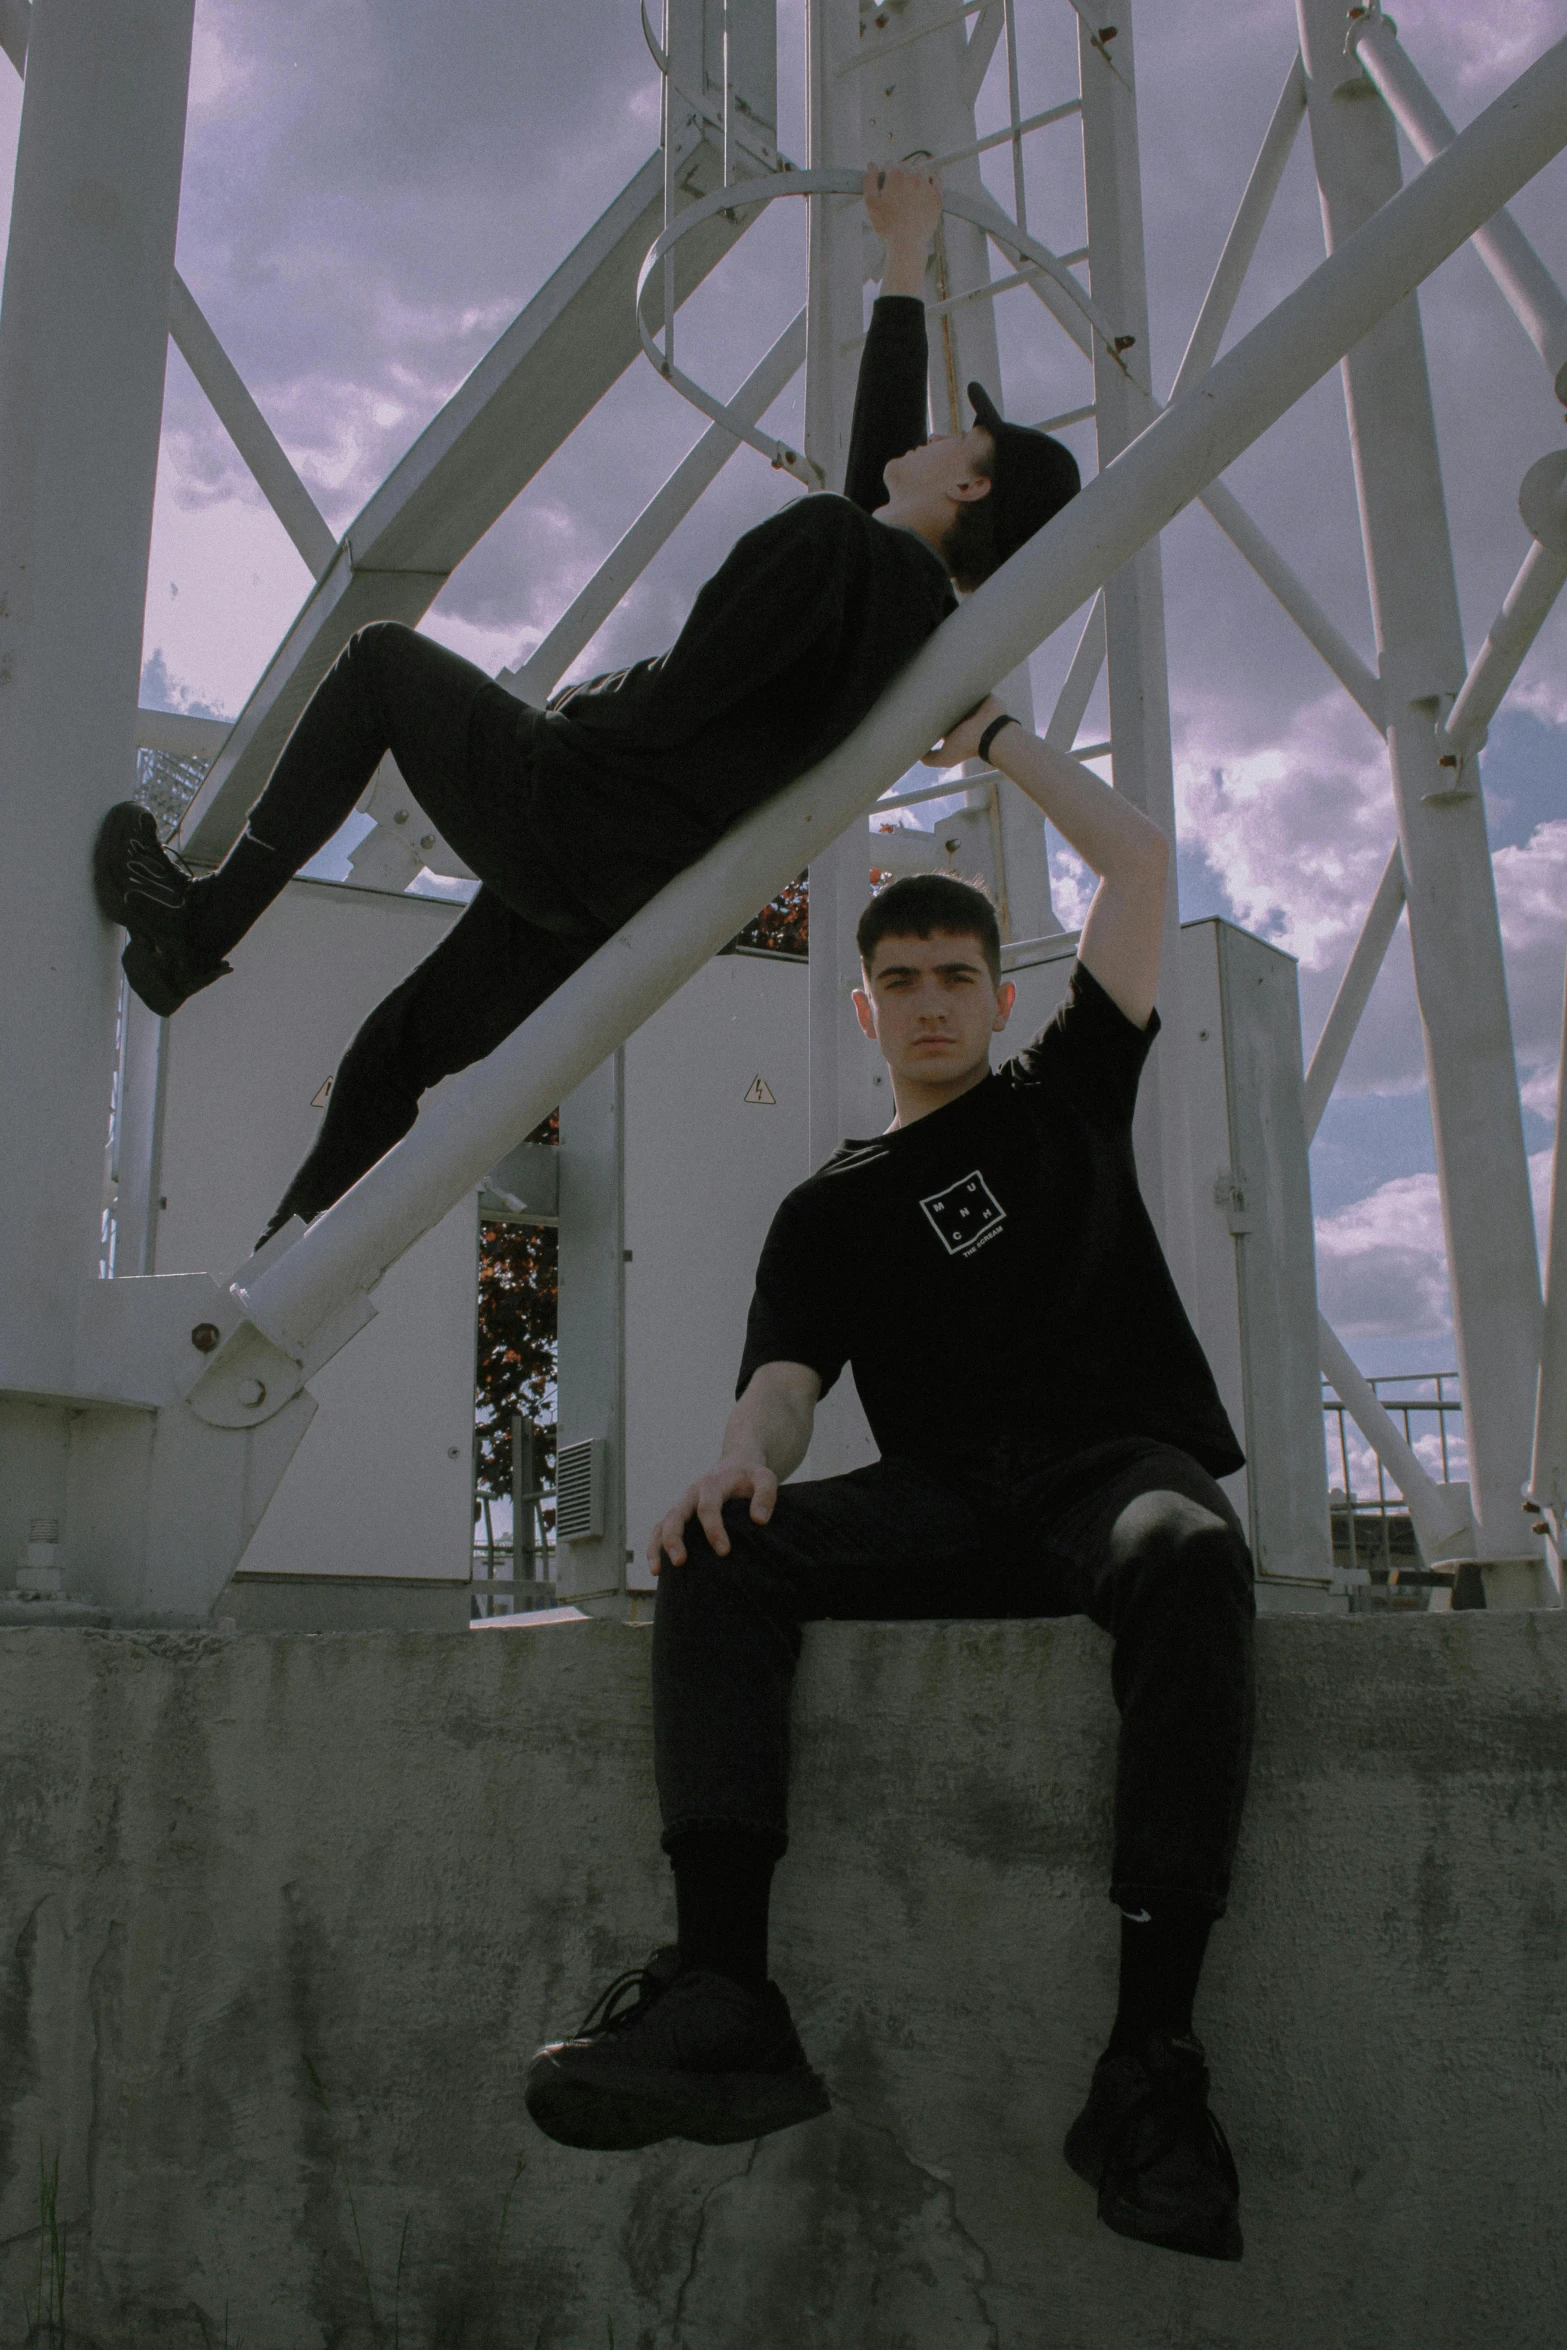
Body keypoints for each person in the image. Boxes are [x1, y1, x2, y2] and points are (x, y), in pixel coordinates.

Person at [522, 701, 1255, 2266]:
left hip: (1101, 1475)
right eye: (898, 983)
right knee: (719, 1550)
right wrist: (736, 1462)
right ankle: (724, 1993)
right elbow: (781, 1393)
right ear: (864, 1013)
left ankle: (1148, 2065)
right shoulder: (827, 1208)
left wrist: (989, 734)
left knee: (1186, 1548)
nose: (928, 1003)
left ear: (998, 997)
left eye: (953, 979)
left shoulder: (1062, 1093)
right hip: (939, 1500)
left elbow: (1134, 861)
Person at [92, 163, 1078, 1247]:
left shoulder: (835, 548)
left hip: (573, 798)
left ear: (972, 486)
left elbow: (688, 691)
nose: (926, 436)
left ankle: (197, 930)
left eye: (957, 439)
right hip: (613, 889)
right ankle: (277, 1260)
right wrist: (903, 259)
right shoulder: (903, 617)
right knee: (400, 1052)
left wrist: (575, 721)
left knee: (379, 665)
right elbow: (871, 481)